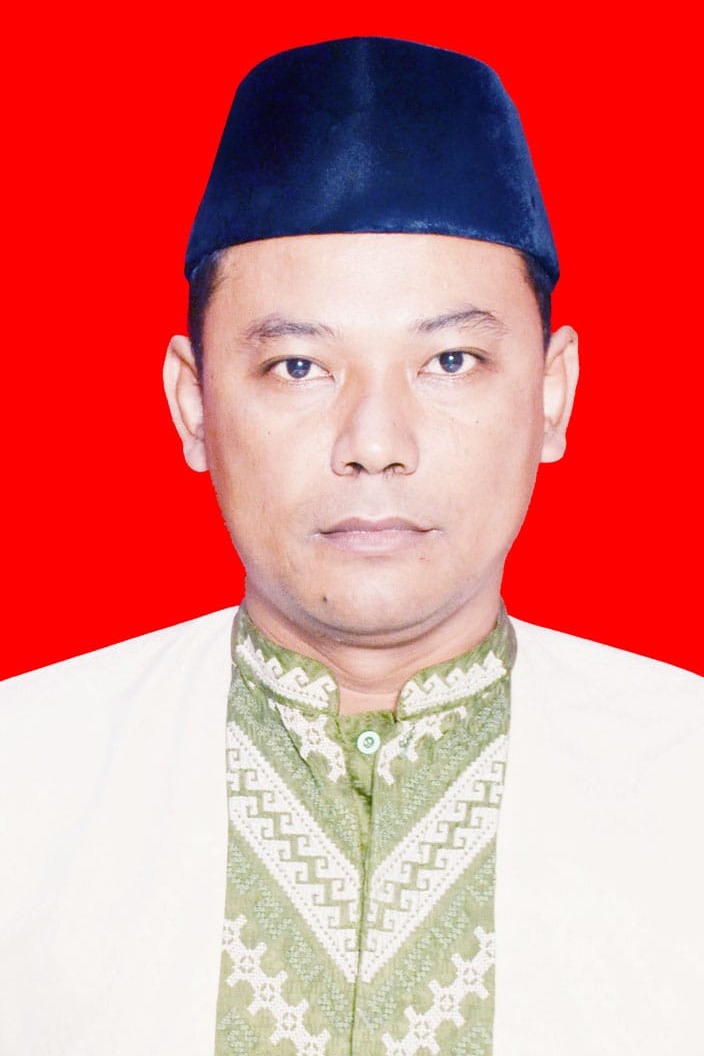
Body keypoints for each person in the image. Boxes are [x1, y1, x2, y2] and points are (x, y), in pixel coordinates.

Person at [0, 36, 701, 1056]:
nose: (374, 442)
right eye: (298, 366)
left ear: (551, 395)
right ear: (194, 404)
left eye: (450, 360)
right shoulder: (22, 776)